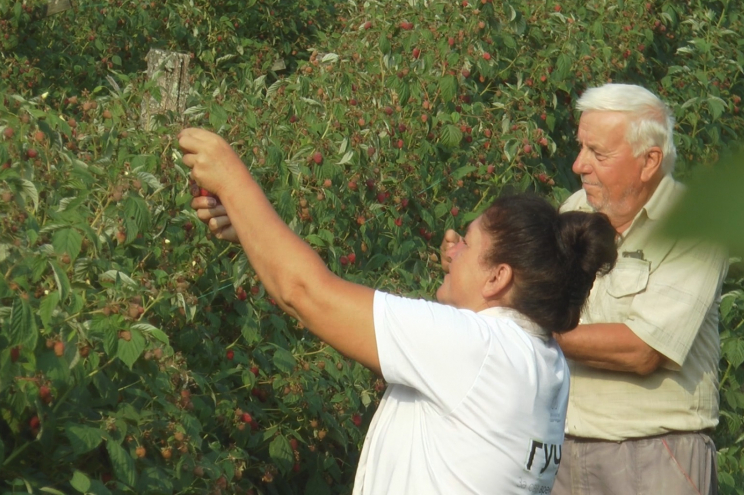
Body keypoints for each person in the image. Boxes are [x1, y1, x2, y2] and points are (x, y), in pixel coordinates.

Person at [177, 127, 619, 494]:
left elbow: (305, 292)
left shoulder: (478, 351)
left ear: (497, 278)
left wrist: (232, 177)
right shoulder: (541, 360)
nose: (453, 249)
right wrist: (252, 229)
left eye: (468, 242)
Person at [442, 83, 729, 495]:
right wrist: (467, 269)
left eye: (598, 153)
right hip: (559, 451)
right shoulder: (574, 210)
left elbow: (643, 350)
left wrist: (528, 327)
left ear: (650, 161)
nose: (579, 164)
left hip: (652, 454)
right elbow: (514, 291)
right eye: (581, 148)